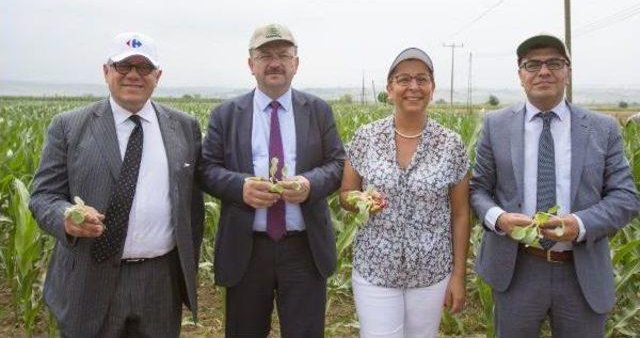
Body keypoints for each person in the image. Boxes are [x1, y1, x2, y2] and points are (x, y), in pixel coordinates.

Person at [29, 32, 204, 337]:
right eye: (124, 66)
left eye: (144, 68)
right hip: (89, 278)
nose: (134, 75)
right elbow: (43, 196)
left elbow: (193, 204)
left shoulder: (184, 127)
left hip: (160, 281)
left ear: (158, 76)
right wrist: (66, 217)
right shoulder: (68, 126)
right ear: (106, 71)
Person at [470, 34, 640, 337]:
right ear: (520, 74)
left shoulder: (602, 128)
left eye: (554, 63)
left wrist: (580, 223)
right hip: (517, 267)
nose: (543, 71)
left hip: (581, 268)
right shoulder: (496, 126)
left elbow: (625, 197)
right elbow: (478, 189)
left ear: (568, 72)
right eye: (532, 64)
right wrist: (499, 219)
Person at [199, 23, 345, 337]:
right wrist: (241, 187)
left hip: (303, 249)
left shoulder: (318, 111)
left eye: (283, 54)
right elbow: (206, 169)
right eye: (265, 55)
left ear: (296, 63)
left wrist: (308, 184)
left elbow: (336, 165)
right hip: (247, 250)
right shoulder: (226, 114)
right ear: (251, 64)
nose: (274, 62)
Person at [340, 48, 470, 338]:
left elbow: (461, 214)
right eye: (403, 79)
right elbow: (346, 194)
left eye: (422, 79)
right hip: (375, 269)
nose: (413, 87)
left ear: (432, 88)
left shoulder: (451, 144)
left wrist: (459, 275)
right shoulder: (365, 137)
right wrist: (361, 201)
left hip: (431, 272)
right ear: (390, 89)